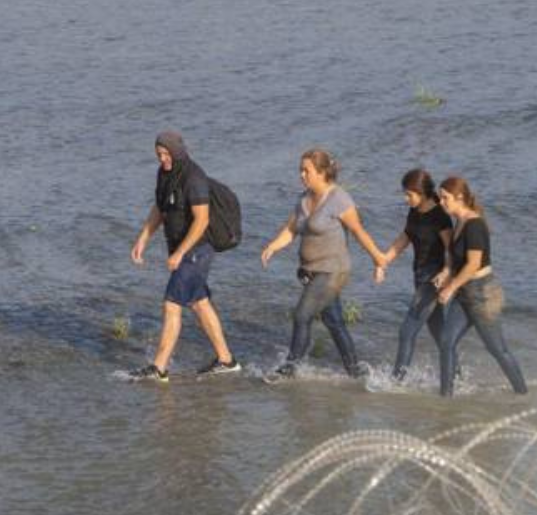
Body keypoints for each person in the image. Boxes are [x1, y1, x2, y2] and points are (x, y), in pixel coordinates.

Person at [260, 148, 388, 379]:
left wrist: (378, 259)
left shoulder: (339, 199)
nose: (301, 175)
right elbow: (291, 230)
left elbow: (359, 232)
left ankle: (288, 369)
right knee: (334, 321)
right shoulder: (303, 199)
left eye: (306, 170)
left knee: (301, 315)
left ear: (321, 173)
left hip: (333, 271)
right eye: (300, 170)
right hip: (310, 271)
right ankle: (356, 372)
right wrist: (272, 246)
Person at [129, 131, 240, 382]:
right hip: (182, 250)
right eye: (159, 155)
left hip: (197, 250)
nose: (163, 159)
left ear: (177, 152)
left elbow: (202, 221)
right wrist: (143, 238)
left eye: (167, 154)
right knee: (199, 302)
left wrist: (179, 253)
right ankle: (226, 360)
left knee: (171, 304)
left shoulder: (194, 177)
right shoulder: (164, 174)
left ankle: (159, 368)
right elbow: (160, 207)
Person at [434, 175, 528, 396]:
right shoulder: (459, 222)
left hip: (483, 294)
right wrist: (446, 273)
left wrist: (450, 288)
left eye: (445, 198)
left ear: (459, 197)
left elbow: (473, 264)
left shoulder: (474, 224)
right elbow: (456, 259)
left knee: (497, 349)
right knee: (446, 342)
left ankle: (523, 395)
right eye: (440, 197)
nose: (441, 202)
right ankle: (445, 398)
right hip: (465, 293)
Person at [376, 168, 453, 382]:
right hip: (419, 277)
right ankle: (455, 376)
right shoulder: (414, 211)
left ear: (422, 192)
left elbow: (451, 248)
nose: (405, 198)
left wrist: (446, 273)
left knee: (407, 331)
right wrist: (384, 261)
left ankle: (396, 381)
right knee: (440, 333)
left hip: (434, 280)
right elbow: (404, 238)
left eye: (409, 194)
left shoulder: (440, 216)